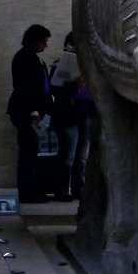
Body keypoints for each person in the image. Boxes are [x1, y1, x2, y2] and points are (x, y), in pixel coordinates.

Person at [7, 23, 52, 202]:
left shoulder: (32, 58)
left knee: (31, 152)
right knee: (28, 152)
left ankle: (31, 189)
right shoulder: (24, 58)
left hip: (32, 111)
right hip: (26, 112)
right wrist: (33, 109)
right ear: (34, 41)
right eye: (43, 42)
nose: (45, 45)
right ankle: (27, 193)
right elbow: (24, 86)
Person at [49, 31, 87, 200]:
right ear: (66, 45)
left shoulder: (86, 65)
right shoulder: (58, 66)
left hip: (84, 115)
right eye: (71, 44)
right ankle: (62, 189)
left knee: (82, 157)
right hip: (66, 116)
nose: (74, 48)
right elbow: (54, 90)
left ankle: (80, 189)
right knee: (67, 156)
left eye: (77, 45)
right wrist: (74, 86)